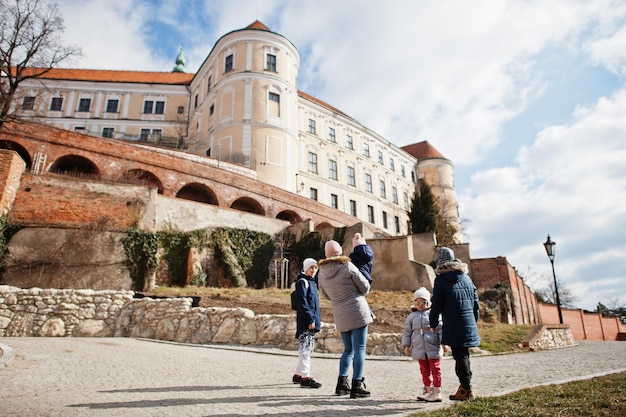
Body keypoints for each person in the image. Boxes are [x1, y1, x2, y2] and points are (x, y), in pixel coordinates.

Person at [317, 240, 373, 399]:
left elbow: (325, 295)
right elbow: (365, 287)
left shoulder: (321, 272)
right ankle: (357, 385)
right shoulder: (347, 266)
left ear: (326, 254)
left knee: (348, 349)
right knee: (360, 348)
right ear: (340, 251)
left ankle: (341, 384)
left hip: (340, 313)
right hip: (357, 310)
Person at [429, 247, 480, 401]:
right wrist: (473, 320)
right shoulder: (466, 278)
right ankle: (466, 387)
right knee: (464, 355)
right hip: (468, 321)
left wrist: (432, 322)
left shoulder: (441, 280)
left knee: (460, 356)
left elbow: (436, 304)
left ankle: (466, 388)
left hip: (454, 322)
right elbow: (475, 302)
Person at [402, 287, 444, 402]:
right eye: (418, 302)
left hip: (433, 345)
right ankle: (427, 389)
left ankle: (437, 391)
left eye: (423, 302)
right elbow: (407, 332)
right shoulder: (411, 317)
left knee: (435, 369)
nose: (420, 305)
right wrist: (406, 345)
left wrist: (444, 343)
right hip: (419, 347)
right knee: (424, 370)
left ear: (428, 302)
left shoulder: (433, 314)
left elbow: (440, 329)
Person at [292, 257, 322, 388]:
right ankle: (305, 378)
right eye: (311, 267)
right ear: (305, 268)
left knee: (307, 349)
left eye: (315, 267)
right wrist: (310, 319)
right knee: (305, 349)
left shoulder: (312, 283)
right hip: (306, 321)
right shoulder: (302, 282)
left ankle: (298, 375)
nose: (313, 270)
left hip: (311, 320)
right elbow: (303, 303)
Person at [349, 232, 376, 320]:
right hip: (367, 279)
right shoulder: (369, 256)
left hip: (359, 277)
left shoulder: (354, 256)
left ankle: (367, 313)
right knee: (361, 296)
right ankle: (368, 313)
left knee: (357, 297)